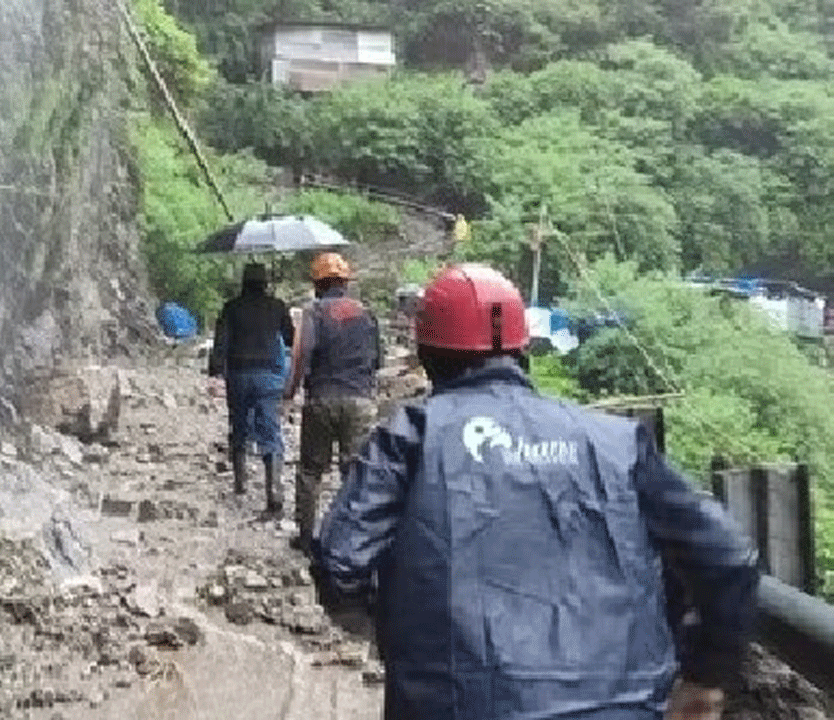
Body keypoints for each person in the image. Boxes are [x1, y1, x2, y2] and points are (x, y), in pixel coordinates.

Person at [312, 263, 760, 720]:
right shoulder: (617, 443)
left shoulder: (411, 435)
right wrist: (705, 676)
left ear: (426, 353)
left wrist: (405, 636)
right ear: (523, 348)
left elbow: (340, 564)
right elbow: (729, 558)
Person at [282, 251, 381, 553]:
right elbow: (378, 359)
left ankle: (306, 537)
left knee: (311, 471)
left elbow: (301, 355)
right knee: (355, 472)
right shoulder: (367, 314)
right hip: (360, 401)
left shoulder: (313, 313)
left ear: (318, 284)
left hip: (322, 399)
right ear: (345, 283)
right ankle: (353, 539)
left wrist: (289, 393)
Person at [208, 262, 295, 513]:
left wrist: (215, 372)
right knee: (270, 429)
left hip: (239, 374)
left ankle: (240, 482)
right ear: (265, 283)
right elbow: (290, 338)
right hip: (269, 375)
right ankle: (274, 489)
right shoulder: (277, 306)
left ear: (243, 283)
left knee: (239, 425)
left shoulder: (231, 307)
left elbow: (221, 343)